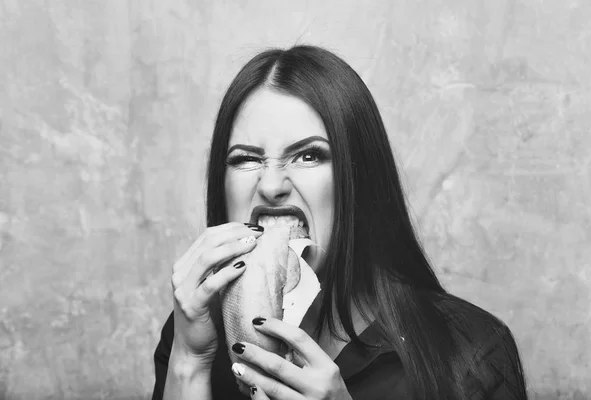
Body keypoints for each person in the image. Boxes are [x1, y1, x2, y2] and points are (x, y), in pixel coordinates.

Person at [151, 45, 528, 400]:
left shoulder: (472, 350)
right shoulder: (195, 334)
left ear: (359, 177)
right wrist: (189, 361)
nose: (270, 186)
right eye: (246, 159)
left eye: (309, 156)